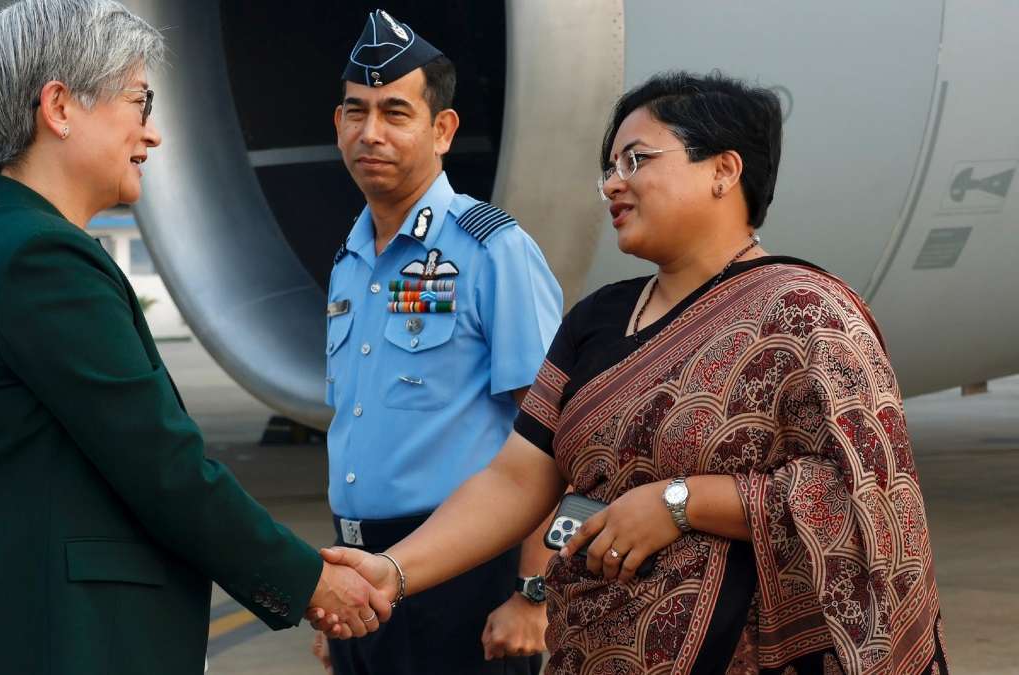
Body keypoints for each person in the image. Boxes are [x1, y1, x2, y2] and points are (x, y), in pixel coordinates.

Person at [318, 71, 950, 674]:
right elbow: (517, 478)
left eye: (637, 160)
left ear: (724, 171)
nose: (614, 184)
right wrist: (393, 572)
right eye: (609, 168)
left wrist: (682, 503)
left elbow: (866, 502)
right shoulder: (599, 319)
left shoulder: (807, 314)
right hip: (596, 651)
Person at [0, 2, 387, 673]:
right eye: (139, 101)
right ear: (60, 108)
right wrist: (308, 579)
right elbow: (164, 466)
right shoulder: (39, 259)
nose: (153, 133)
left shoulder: (2, 240)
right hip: (57, 647)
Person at [313, 10, 564, 675]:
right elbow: (355, 428)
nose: (370, 132)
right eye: (354, 111)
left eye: (395, 112)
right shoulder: (349, 261)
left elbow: (552, 436)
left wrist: (532, 592)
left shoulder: (491, 250)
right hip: (360, 574)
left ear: (442, 129)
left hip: (467, 575)